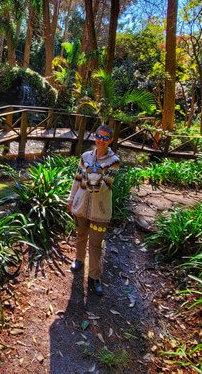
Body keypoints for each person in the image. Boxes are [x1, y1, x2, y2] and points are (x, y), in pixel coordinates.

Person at [67, 124, 120, 296]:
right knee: (80, 235)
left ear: (110, 140)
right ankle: (79, 260)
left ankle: (94, 277)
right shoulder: (85, 157)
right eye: (99, 136)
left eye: (105, 138)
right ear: (94, 136)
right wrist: (70, 199)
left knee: (96, 244)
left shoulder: (114, 161)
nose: (101, 140)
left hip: (100, 210)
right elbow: (77, 179)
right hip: (81, 205)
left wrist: (91, 177)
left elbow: (104, 186)